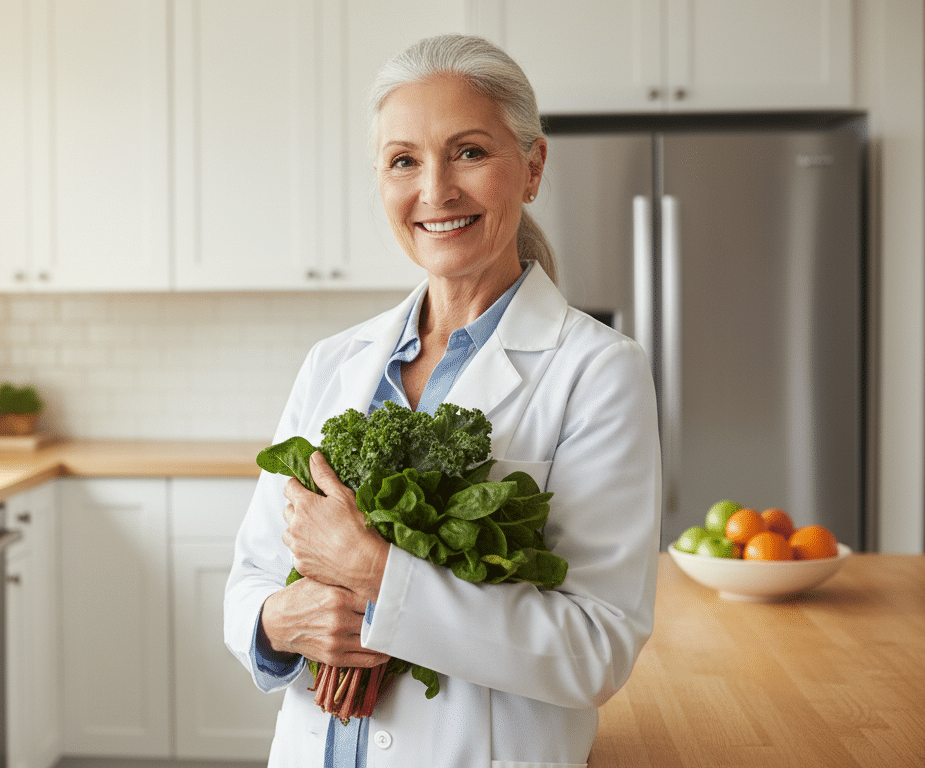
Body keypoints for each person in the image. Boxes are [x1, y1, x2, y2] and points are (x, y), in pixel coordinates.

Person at [223, 34, 661, 768]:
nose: (435, 191)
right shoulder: (333, 363)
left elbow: (596, 649)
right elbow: (250, 580)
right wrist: (280, 619)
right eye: (404, 161)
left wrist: (376, 575)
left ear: (532, 167)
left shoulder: (599, 371)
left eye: (468, 152)